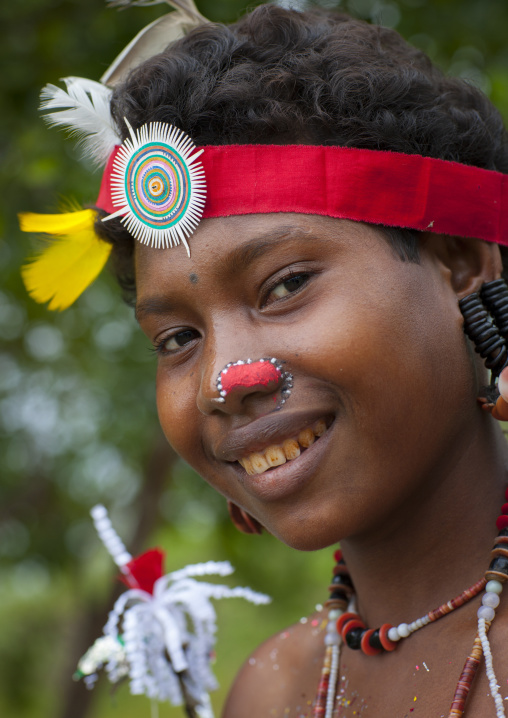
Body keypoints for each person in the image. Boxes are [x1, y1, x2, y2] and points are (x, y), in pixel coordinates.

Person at [19, 4, 508, 717]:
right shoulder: (271, 690)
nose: (226, 381)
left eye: (285, 286)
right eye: (178, 339)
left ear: (460, 263)